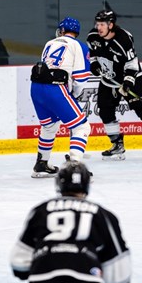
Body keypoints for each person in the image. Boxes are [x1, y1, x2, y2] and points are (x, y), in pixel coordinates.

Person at [10, 161, 138, 283]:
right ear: (87, 185)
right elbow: (118, 271)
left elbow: (19, 265)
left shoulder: (40, 211)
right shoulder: (103, 215)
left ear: (59, 184)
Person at [87, 9, 142, 160]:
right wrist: (93, 65)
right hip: (108, 80)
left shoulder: (124, 39)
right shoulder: (93, 36)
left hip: (131, 78)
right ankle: (117, 145)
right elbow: (92, 53)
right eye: (97, 23)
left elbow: (132, 64)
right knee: (105, 111)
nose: (98, 27)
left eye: (102, 24)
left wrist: (127, 83)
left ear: (110, 25)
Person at [30, 17, 91, 178]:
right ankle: (75, 167)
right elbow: (81, 78)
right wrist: (75, 95)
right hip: (55, 88)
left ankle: (42, 163)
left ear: (62, 30)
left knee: (49, 126)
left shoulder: (49, 43)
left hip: (35, 87)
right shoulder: (79, 46)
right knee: (82, 127)